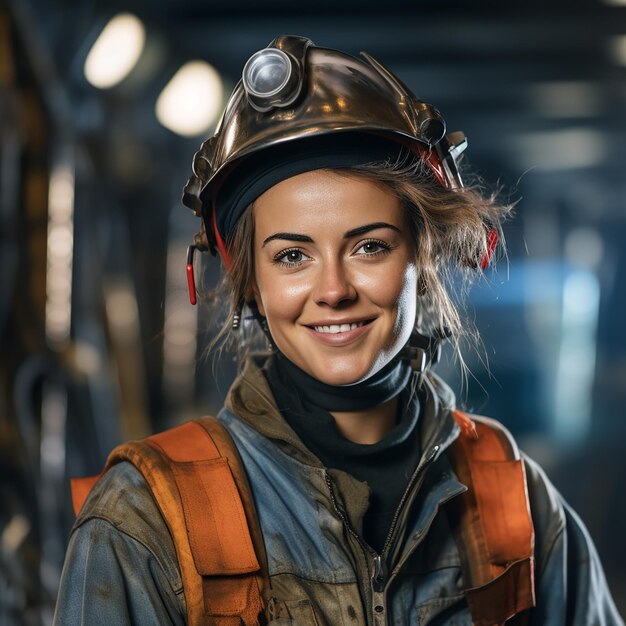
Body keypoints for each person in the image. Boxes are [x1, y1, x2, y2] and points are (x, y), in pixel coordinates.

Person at [54, 35, 623, 625]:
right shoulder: (148, 521)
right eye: (292, 256)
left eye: (369, 246)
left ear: (423, 260)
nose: (333, 290)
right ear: (250, 281)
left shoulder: (513, 503)